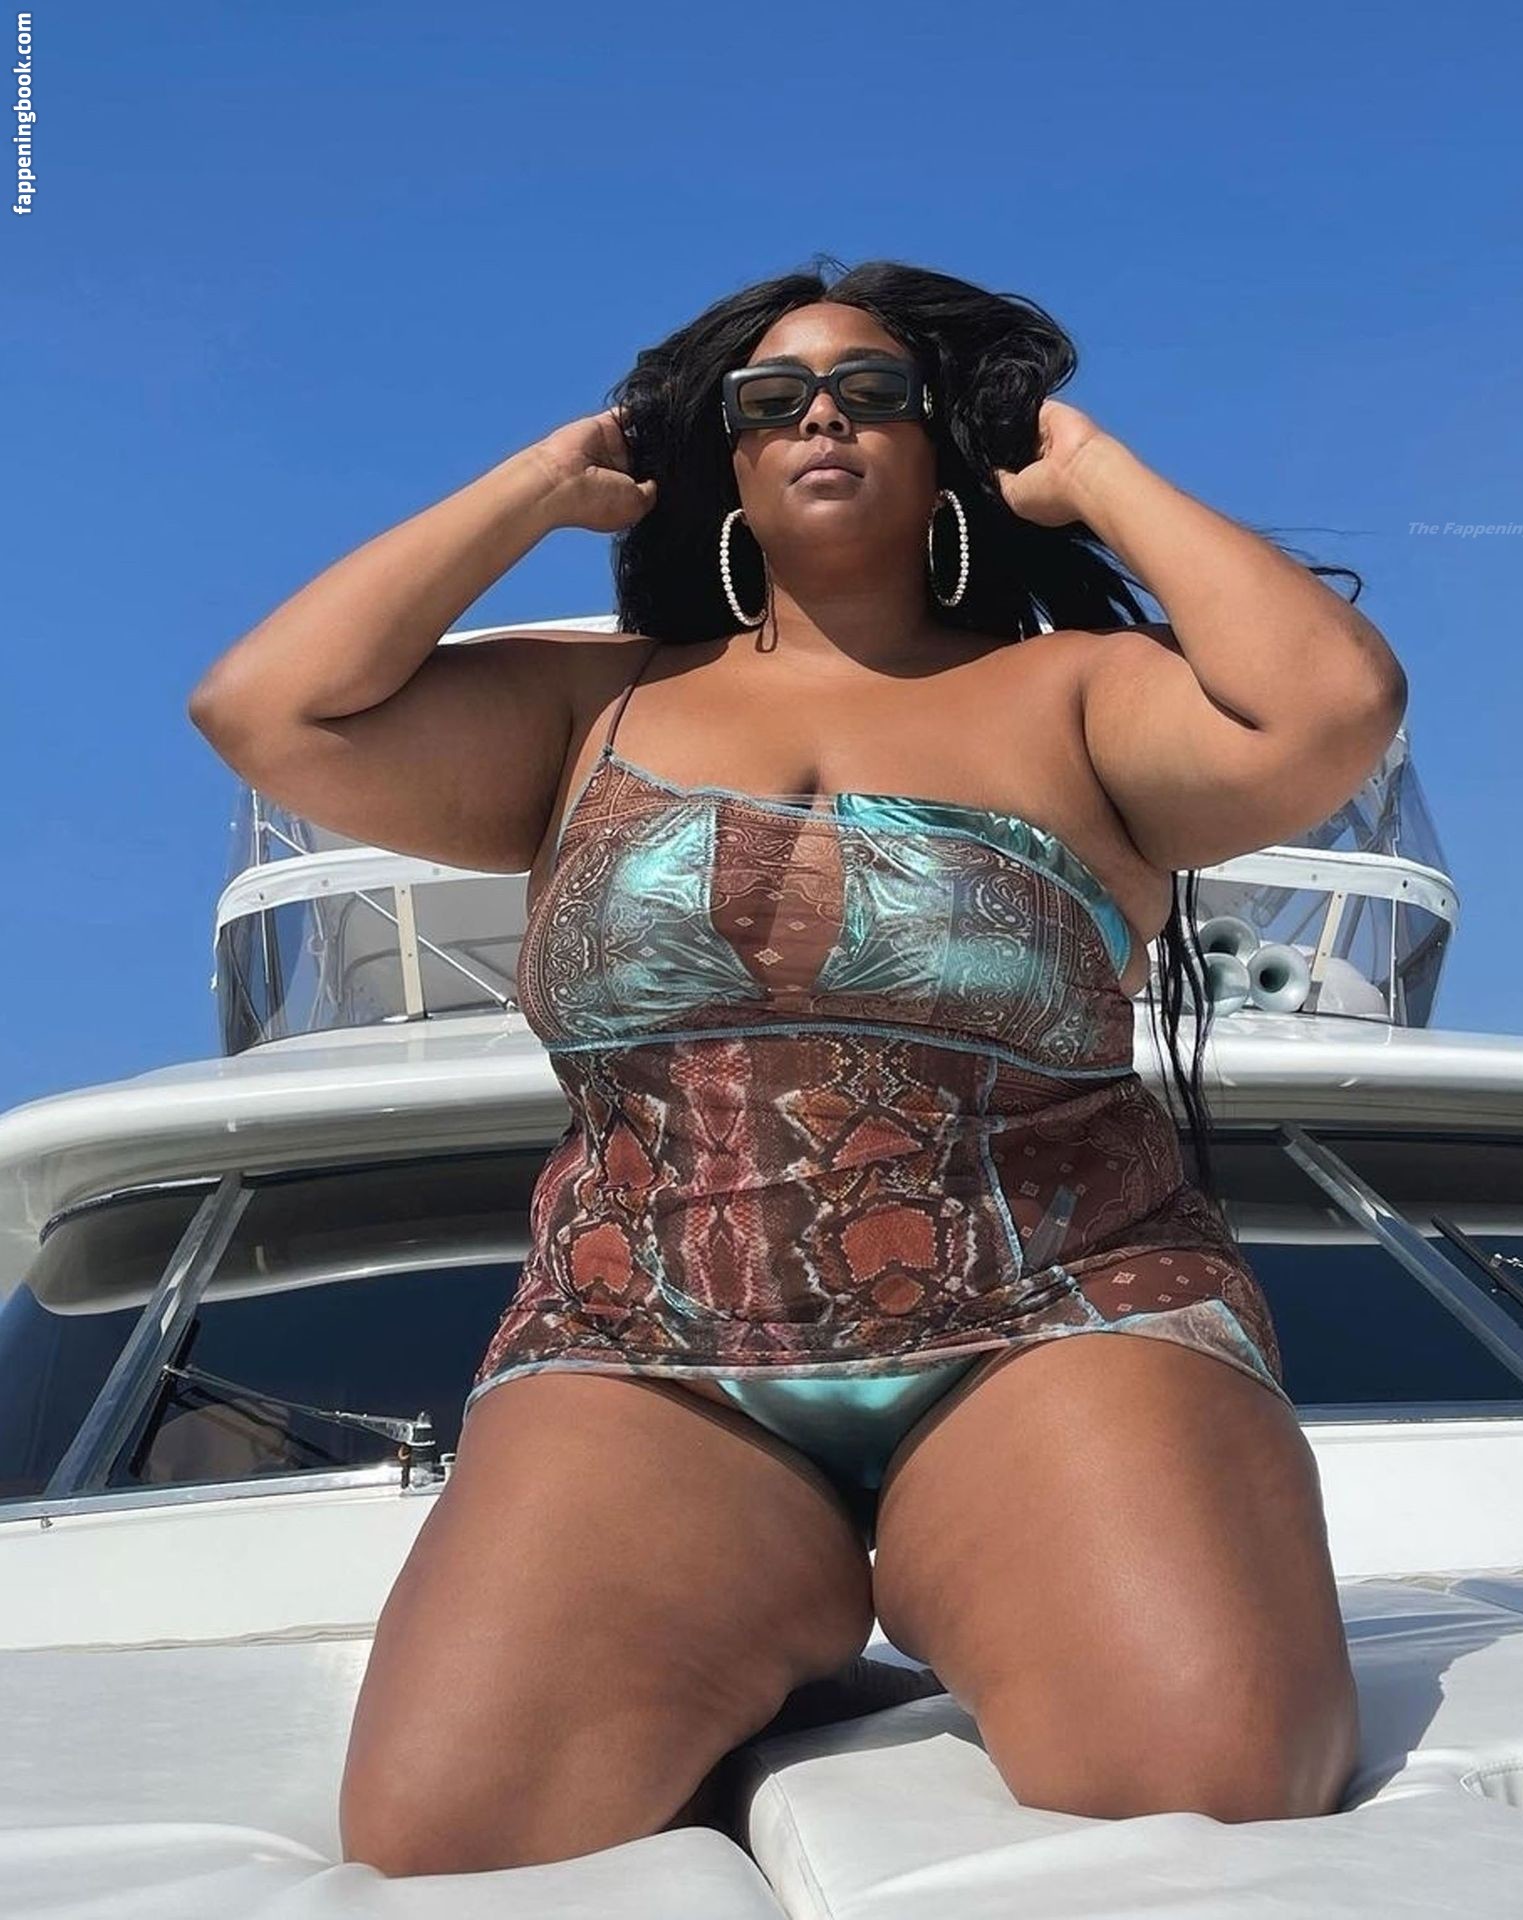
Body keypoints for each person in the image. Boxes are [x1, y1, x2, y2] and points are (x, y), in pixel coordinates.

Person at [188, 259, 1404, 1877]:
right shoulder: (586, 709)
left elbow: (1330, 706)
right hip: (643, 1347)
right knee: (455, 1828)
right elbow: (263, 708)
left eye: (872, 391)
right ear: (727, 458)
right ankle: (782, 1607)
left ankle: (979, 1580)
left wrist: (1087, 465)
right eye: (770, 401)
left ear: (943, 443)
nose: (821, 417)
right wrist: (546, 479)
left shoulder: (1077, 694)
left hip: (1057, 1317)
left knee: (1208, 1767)